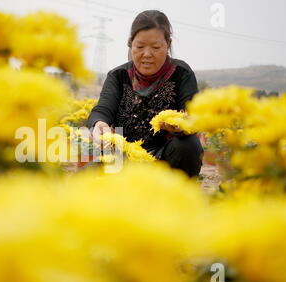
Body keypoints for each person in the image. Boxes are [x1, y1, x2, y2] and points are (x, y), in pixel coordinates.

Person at [87, 10, 204, 177]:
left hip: (167, 158)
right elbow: (103, 109)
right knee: (86, 176)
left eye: (156, 47)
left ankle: (176, 195)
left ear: (168, 44)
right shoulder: (118, 76)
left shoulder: (181, 73)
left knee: (189, 145)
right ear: (131, 44)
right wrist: (99, 123)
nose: (147, 54)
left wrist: (183, 124)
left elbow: (192, 114)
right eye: (140, 47)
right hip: (125, 156)